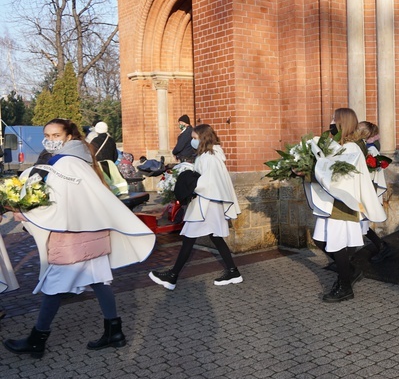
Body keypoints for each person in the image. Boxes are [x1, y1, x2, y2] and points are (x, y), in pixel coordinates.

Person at [3, 119, 156, 358]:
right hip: (92, 235)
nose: (50, 140)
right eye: (47, 135)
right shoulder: (81, 161)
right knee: (99, 281)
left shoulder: (66, 164)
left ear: (69, 136)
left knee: (54, 287)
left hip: (72, 238)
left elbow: (59, 206)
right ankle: (114, 333)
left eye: (55, 135)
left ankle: (37, 340)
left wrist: (24, 213)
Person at [305, 108, 386, 302]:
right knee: (321, 240)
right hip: (330, 202)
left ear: (343, 123)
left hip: (342, 204)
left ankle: (345, 286)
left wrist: (310, 172)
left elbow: (338, 177)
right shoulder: (335, 146)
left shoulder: (352, 149)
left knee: (337, 244)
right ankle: (349, 270)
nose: (331, 122)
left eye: (334, 119)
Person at [149, 123, 243, 290]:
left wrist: (186, 179)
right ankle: (233, 271)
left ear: (202, 138)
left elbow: (206, 182)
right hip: (210, 204)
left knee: (189, 238)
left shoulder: (208, 157)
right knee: (214, 237)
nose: (192, 141)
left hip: (205, 205)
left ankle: (172, 277)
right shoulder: (211, 155)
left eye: (194, 138)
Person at [355, 121, 392, 263]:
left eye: (359, 129)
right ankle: (381, 246)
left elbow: (372, 172)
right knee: (358, 222)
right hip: (358, 189)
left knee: (360, 222)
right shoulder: (360, 146)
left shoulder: (371, 150)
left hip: (365, 190)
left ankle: (349, 261)